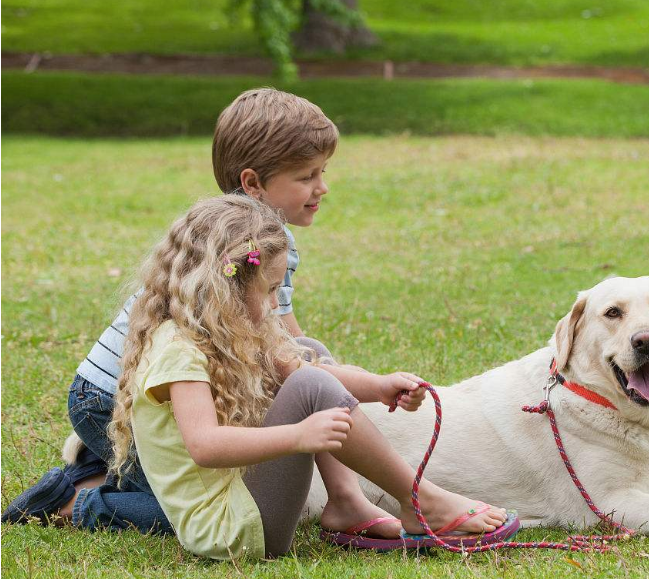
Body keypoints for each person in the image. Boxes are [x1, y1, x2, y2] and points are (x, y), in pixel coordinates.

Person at [3, 89, 418, 541]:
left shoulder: (263, 240)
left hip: (169, 395)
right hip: (106, 400)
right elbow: (287, 367)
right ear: (253, 183)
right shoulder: (239, 248)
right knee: (192, 510)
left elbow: (292, 354)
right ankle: (79, 495)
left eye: (323, 171)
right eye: (306, 175)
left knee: (307, 362)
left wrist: (370, 386)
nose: (323, 186)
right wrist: (314, 414)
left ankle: (346, 498)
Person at [112, 195, 509, 559]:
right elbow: (205, 446)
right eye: (269, 289)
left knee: (308, 352)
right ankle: (421, 501)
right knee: (308, 386)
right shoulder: (178, 350)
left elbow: (303, 368)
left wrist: (378, 385)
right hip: (231, 529)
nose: (274, 303)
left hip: (246, 497)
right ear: (224, 285)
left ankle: (346, 501)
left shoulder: (221, 326)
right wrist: (299, 436)